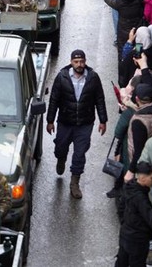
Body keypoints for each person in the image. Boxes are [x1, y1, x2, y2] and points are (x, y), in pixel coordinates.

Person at [46, 49, 108, 199]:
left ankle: (74, 183)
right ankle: (61, 159)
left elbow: (100, 99)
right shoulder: (62, 77)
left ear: (85, 61)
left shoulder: (93, 78)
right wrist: (50, 120)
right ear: (71, 62)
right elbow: (54, 99)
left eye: (81, 61)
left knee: (80, 153)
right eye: (76, 62)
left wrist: (103, 120)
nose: (79, 64)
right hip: (65, 122)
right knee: (61, 147)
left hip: (85, 123)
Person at [116, 161, 152, 267]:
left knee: (121, 262)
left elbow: (121, 209)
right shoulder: (140, 198)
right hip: (138, 240)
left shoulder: (129, 187)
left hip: (125, 234)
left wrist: (126, 225)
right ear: (143, 178)